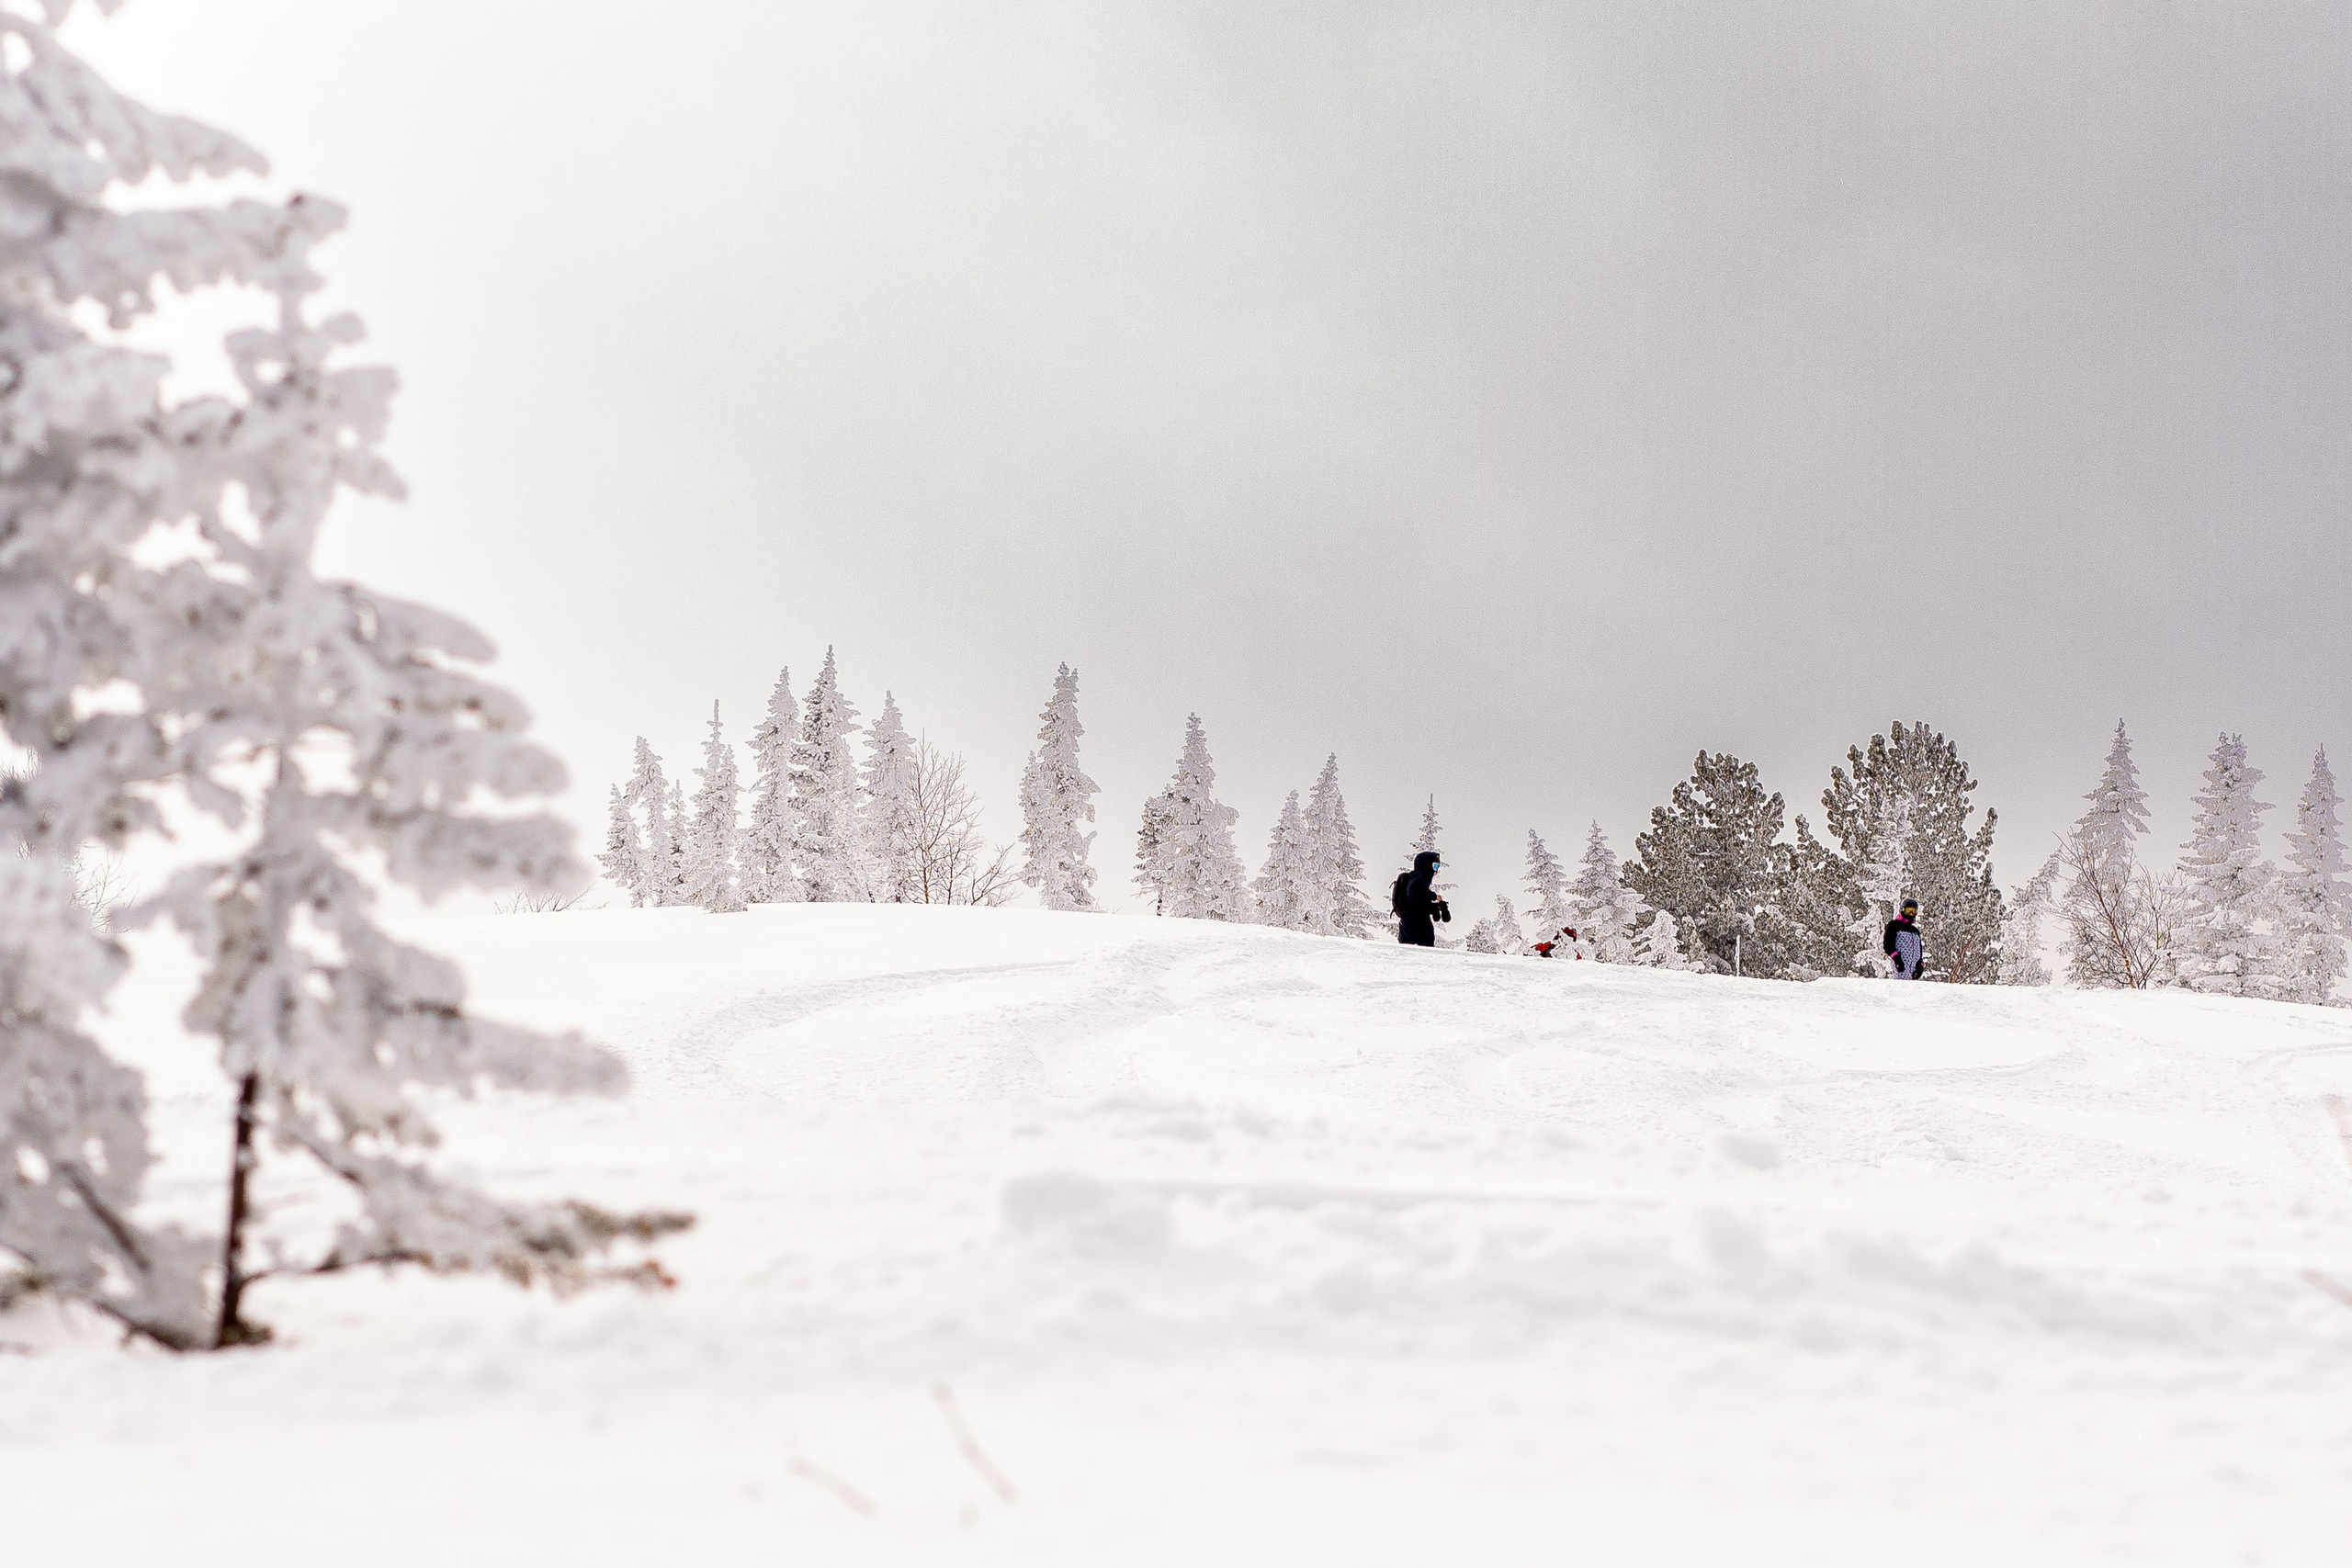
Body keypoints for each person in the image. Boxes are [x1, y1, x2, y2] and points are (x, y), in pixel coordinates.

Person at [1392, 851, 1451, 947]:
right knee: (1425, 953)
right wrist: (1433, 896)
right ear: (1426, 865)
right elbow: (1413, 894)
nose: (1436, 870)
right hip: (1417, 924)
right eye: (1435, 866)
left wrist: (1436, 907)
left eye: (1437, 866)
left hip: (1408, 922)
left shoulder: (1417, 878)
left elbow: (1419, 905)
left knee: (1407, 953)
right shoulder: (1417, 877)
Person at [1883, 899, 1923, 979]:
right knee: (1901, 987)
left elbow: (1919, 949)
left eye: (1913, 911)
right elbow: (1888, 944)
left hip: (1914, 968)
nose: (1911, 914)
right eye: (1908, 911)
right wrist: (1896, 958)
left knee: (1913, 989)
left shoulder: (1915, 931)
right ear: (1902, 910)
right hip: (1901, 964)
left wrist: (1920, 965)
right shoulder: (1894, 925)